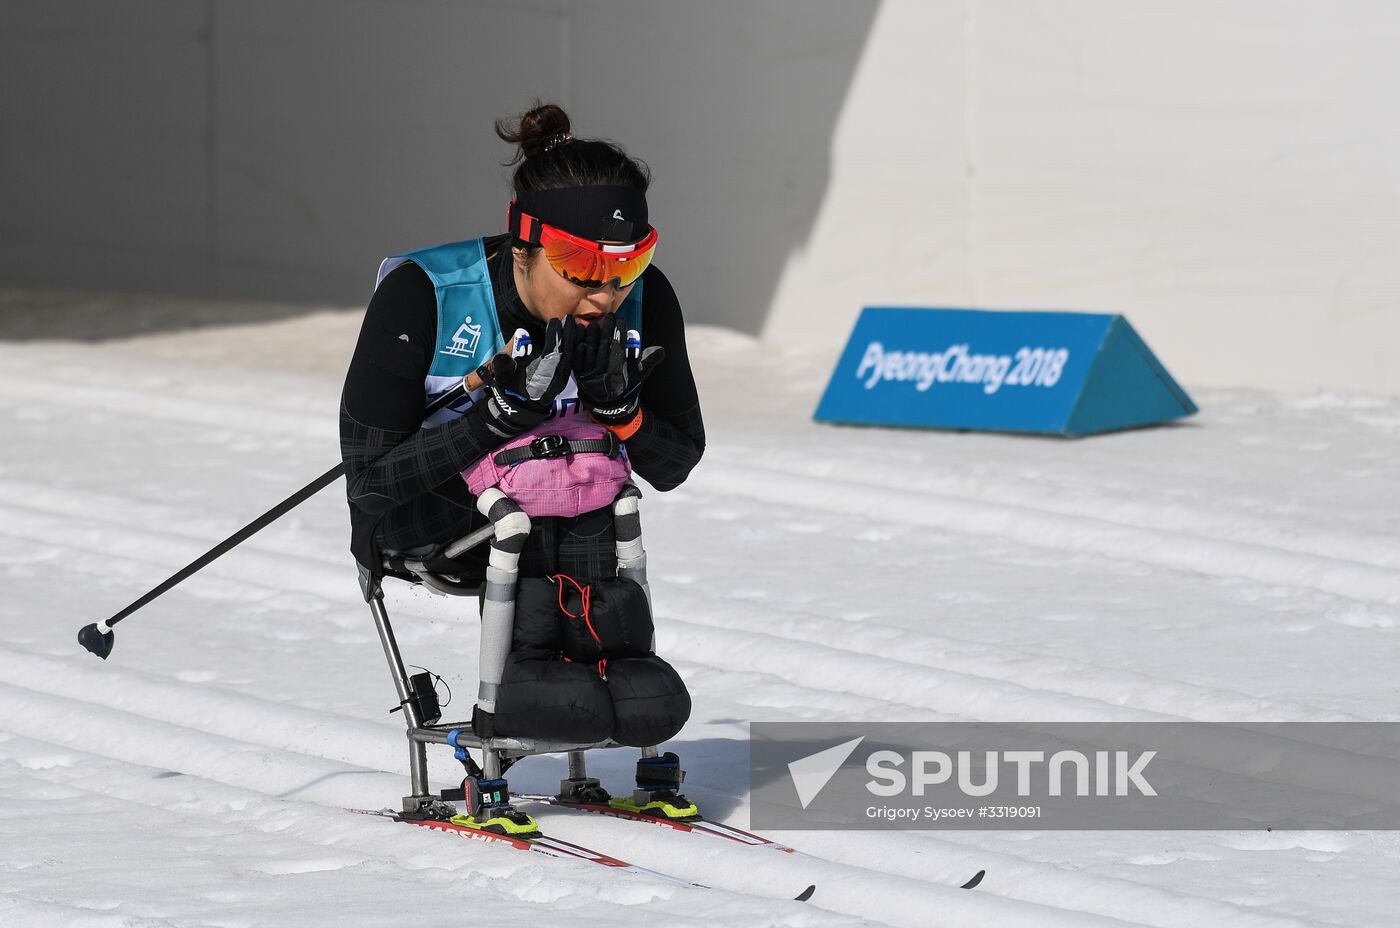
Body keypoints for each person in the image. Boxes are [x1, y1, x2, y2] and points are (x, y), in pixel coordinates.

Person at [338, 103, 704, 827]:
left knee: (604, 500)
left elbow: (674, 461)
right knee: (537, 516)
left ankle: (612, 699)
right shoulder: (426, 293)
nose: (607, 293)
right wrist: (492, 422)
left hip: (577, 519)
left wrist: (620, 413)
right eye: (581, 268)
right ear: (523, 245)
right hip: (430, 518)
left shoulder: (642, 301)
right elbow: (370, 485)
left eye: (628, 264)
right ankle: (510, 716)